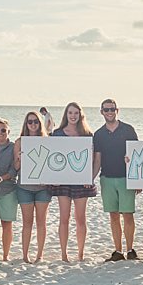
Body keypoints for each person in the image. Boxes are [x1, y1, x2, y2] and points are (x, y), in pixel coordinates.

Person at [92, 99, 139, 262]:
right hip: (107, 178)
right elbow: (97, 159)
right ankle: (118, 251)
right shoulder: (98, 134)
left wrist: (138, 180)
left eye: (112, 109)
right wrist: (90, 178)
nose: (109, 112)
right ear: (101, 112)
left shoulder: (128, 130)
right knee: (113, 216)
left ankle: (130, 249)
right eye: (106, 110)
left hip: (126, 178)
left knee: (128, 215)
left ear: (117, 110)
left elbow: (137, 156)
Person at [50, 102, 97, 262]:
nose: (73, 116)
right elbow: (53, 158)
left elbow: (92, 159)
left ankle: (81, 253)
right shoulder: (57, 134)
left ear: (80, 115)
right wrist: (54, 178)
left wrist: (89, 177)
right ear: (66, 114)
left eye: (76, 113)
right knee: (64, 218)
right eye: (70, 112)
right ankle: (64, 254)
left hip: (81, 181)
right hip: (62, 182)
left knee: (80, 218)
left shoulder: (87, 134)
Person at [14, 111, 52, 263]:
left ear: (40, 123)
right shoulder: (19, 142)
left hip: (43, 188)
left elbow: (52, 165)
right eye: (30, 122)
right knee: (27, 222)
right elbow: (15, 167)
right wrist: (19, 159)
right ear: (26, 124)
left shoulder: (47, 141)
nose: (33, 124)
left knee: (41, 222)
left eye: (36, 121)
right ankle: (25, 255)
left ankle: (40, 254)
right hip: (24, 187)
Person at [0, 118, 18, 261]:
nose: (0, 133)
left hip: (8, 189)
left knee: (7, 223)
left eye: (3, 130)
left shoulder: (13, 147)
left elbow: (15, 169)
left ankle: (5, 255)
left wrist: (1, 178)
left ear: (8, 131)